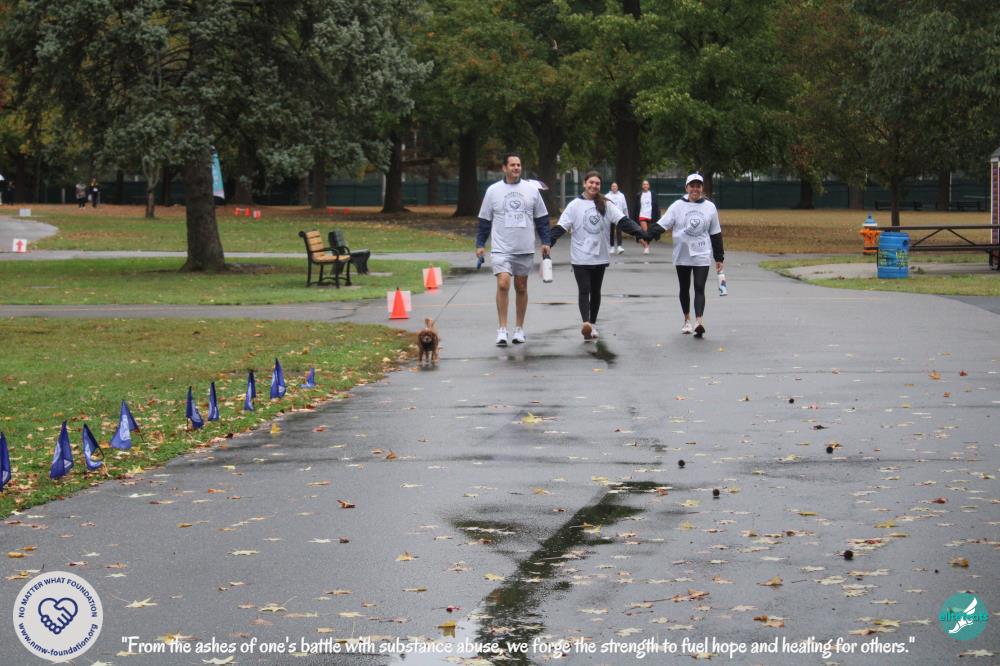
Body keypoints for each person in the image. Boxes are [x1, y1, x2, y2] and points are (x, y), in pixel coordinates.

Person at [550, 171, 647, 340]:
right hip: (580, 256)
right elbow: (561, 227)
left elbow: (623, 221)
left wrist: (640, 233)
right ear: (584, 183)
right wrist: (548, 242)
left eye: (597, 183)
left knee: (595, 291)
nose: (594, 186)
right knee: (584, 289)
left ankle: (593, 324)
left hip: (600, 256)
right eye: (591, 182)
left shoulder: (606, 204)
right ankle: (586, 323)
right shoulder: (574, 205)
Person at [476, 153, 551, 347]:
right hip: (501, 247)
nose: (516, 168)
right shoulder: (493, 191)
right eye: (512, 165)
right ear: (504, 168)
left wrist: (546, 240)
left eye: (518, 165)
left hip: (524, 247)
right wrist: (480, 244)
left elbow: (542, 218)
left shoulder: (531, 190)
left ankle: (519, 329)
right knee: (503, 284)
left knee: (521, 287)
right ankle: (502, 329)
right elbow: (484, 220)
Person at [648, 173, 724, 338]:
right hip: (682, 254)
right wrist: (645, 236)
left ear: (702, 188)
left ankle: (699, 322)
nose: (695, 189)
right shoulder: (677, 206)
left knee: (699, 287)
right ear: (686, 188)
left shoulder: (710, 207)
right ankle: (687, 320)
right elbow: (663, 224)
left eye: (698, 186)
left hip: (702, 253)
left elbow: (716, 233)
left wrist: (719, 257)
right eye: (692, 186)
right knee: (684, 288)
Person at [632, 180, 659, 255]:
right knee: (645, 232)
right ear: (642, 186)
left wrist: (657, 215)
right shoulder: (639, 195)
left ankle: (646, 246)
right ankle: (646, 246)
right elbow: (636, 207)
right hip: (642, 215)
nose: (645, 185)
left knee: (649, 234)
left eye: (647, 184)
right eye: (644, 184)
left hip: (651, 216)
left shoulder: (653, 194)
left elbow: (656, 206)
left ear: (649, 186)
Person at [605, 182, 629, 254]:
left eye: (615, 186)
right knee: (611, 232)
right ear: (611, 187)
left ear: (617, 187)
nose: (614, 187)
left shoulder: (621, 195)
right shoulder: (607, 196)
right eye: (613, 186)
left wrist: (627, 216)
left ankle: (619, 246)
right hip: (610, 216)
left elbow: (624, 207)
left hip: (619, 216)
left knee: (619, 231)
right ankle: (611, 247)